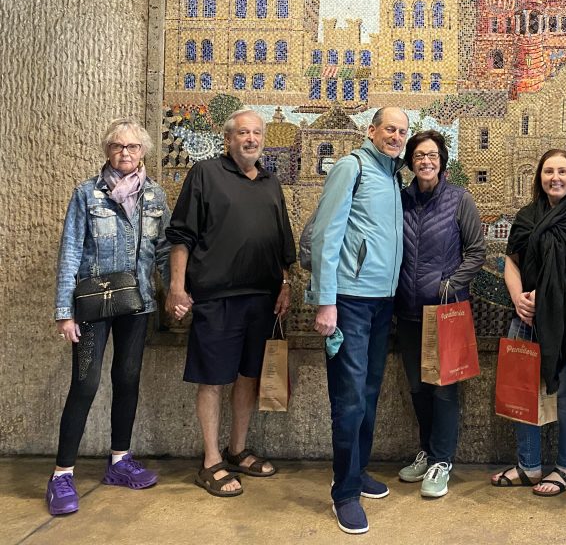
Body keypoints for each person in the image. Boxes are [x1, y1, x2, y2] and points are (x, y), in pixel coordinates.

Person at [165, 109, 294, 498]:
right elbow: (181, 235)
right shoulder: (205, 174)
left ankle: (237, 449)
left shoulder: (271, 183)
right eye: (243, 133)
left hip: (262, 298)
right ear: (228, 139)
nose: (251, 139)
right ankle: (210, 462)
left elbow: (283, 242)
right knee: (213, 379)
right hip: (217, 298)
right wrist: (176, 286)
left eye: (256, 133)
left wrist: (285, 284)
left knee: (248, 377)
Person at [47, 119, 170, 516]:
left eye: (133, 147)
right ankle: (62, 475)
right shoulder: (86, 194)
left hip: (138, 305)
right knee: (85, 384)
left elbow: (165, 252)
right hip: (93, 308)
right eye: (118, 147)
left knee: (128, 380)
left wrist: (177, 293)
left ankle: (120, 461)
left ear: (144, 151)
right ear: (107, 150)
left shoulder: (155, 196)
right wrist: (65, 313)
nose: (126, 153)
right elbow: (69, 253)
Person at [309, 107, 409, 534]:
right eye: (390, 129)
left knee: (368, 391)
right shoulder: (352, 167)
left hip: (381, 301)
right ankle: (344, 493)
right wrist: (325, 300)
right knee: (348, 399)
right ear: (372, 130)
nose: (397, 136)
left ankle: (356, 470)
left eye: (403, 131)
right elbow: (326, 232)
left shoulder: (391, 174)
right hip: (348, 300)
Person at [490, 149, 566, 497]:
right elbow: (511, 260)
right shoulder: (526, 217)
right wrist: (519, 297)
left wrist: (545, 294)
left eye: (563, 171)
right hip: (525, 314)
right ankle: (528, 465)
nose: (556, 177)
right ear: (539, 176)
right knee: (523, 388)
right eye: (549, 171)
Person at [394, 130, 485, 499]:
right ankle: (427, 450)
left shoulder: (460, 199)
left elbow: (476, 251)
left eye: (432, 155)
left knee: (445, 390)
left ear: (442, 161)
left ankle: (442, 461)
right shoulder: (399, 200)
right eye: (418, 156)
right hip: (408, 312)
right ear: (410, 162)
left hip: (446, 312)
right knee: (418, 388)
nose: (426, 162)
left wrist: (449, 284)